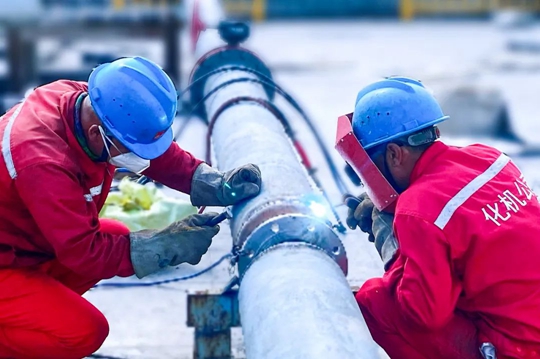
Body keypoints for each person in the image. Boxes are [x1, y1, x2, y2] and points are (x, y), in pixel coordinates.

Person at [0, 56, 262, 359]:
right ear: (98, 134)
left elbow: (152, 150)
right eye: (132, 151)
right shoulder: (42, 161)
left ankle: (28, 325)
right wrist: (165, 245)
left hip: (17, 247)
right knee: (84, 331)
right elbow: (83, 252)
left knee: (115, 232)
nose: (138, 158)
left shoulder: (91, 104)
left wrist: (209, 182)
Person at [339, 77, 540, 359]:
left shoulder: (417, 209)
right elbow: (463, 219)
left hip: (520, 349)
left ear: (395, 154)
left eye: (372, 165)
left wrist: (394, 250)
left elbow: (421, 313)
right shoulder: (489, 158)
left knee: (377, 304)